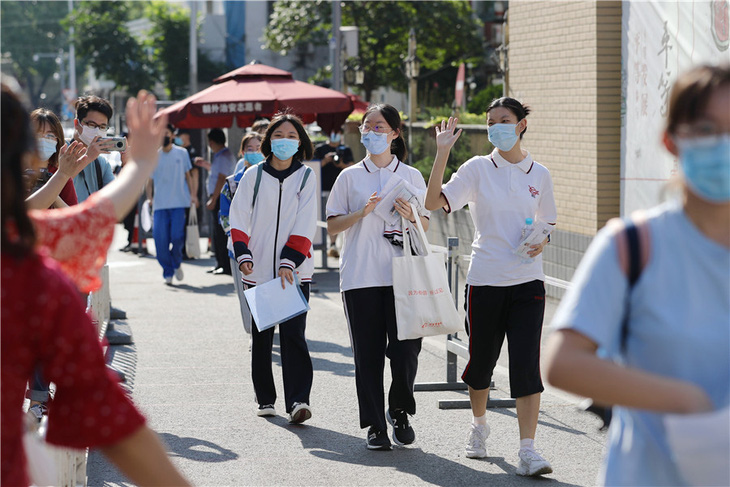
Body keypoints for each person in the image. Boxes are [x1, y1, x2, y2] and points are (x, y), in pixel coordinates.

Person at [544, 64, 730, 486]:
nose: (723, 145)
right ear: (672, 140)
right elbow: (562, 363)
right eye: (705, 129)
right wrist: (684, 400)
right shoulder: (632, 245)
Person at [1, 82, 190, 487]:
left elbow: (81, 217)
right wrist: (139, 165)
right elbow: (84, 222)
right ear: (22, 157)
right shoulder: (28, 276)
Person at [424, 98, 556, 476]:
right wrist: (442, 152)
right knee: (481, 363)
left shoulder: (539, 174)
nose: (497, 127)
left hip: (528, 280)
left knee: (526, 364)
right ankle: (479, 426)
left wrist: (541, 240)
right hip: (485, 279)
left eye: (505, 120)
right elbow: (434, 201)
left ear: (521, 125)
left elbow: (547, 221)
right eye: (491, 122)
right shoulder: (478, 168)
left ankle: (528, 450)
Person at [326, 104, 430, 450]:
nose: (371, 133)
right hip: (361, 276)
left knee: (406, 352)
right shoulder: (350, 176)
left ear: (395, 133)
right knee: (367, 355)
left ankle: (399, 409)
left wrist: (412, 216)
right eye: (366, 127)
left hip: (405, 275)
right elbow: (332, 227)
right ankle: (374, 426)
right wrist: (362, 213)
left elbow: (427, 224)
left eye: (380, 127)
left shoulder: (412, 176)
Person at [229, 114, 316, 424]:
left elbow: (306, 222)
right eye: (279, 134)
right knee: (262, 337)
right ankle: (266, 398)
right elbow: (238, 217)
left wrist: (289, 260)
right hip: (259, 269)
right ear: (269, 140)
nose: (285, 139)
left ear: (300, 141)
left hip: (294, 271)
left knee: (294, 336)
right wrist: (244, 254)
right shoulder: (253, 176)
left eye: (291, 134)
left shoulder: (306, 177)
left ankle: (298, 401)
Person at [221, 132, 263, 336]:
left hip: (266, 247)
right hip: (238, 248)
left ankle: (265, 330)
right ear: (242, 152)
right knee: (244, 293)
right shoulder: (231, 183)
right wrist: (236, 237)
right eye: (250, 149)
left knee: (264, 293)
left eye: (259, 148)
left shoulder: (271, 180)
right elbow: (224, 215)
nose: (255, 152)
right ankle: (252, 332)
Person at [146, 124, 198, 285]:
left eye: (166, 133)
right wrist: (150, 198)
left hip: (179, 202)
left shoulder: (182, 153)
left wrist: (193, 195)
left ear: (172, 134)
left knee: (177, 238)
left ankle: (176, 263)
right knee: (160, 241)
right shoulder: (154, 156)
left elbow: (188, 175)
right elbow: (149, 181)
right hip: (160, 205)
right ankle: (167, 271)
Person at [194, 128, 236, 275]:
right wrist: (206, 165)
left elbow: (221, 178)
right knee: (217, 232)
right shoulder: (221, 156)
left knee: (220, 232)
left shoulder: (224, 156)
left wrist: (213, 199)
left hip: (220, 198)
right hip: (219, 196)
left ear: (211, 142)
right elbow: (217, 172)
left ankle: (224, 265)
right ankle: (220, 263)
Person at [313, 131, 354, 258]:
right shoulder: (320, 149)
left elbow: (352, 167)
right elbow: (313, 166)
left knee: (338, 216)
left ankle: (334, 244)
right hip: (323, 188)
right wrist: (325, 160)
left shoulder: (346, 149)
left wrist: (341, 165)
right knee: (327, 218)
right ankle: (331, 245)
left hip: (341, 189)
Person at [70, 95, 118, 203]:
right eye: (91, 125)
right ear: (76, 124)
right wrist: (87, 157)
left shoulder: (101, 163)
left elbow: (116, 200)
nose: (97, 131)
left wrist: (127, 167)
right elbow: (56, 187)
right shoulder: (61, 151)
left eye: (102, 127)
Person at [28, 109, 79, 207]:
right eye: (37, 134)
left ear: (57, 141)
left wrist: (51, 190)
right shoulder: (14, 173)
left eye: (50, 135)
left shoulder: (61, 175)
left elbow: (73, 215)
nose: (43, 139)